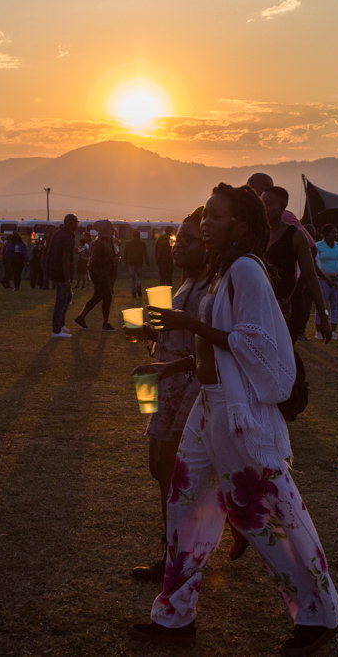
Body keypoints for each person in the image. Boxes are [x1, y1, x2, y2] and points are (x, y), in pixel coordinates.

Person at [130, 183, 338, 655]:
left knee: (273, 514)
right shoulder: (222, 270)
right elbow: (215, 347)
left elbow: (255, 342)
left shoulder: (247, 271)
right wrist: (173, 364)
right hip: (206, 407)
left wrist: (189, 325)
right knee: (185, 509)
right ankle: (175, 616)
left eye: (217, 216)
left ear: (240, 226)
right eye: (205, 214)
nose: (206, 222)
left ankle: (320, 615)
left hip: (236, 409)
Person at [128, 208, 208, 582]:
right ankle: (175, 548)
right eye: (179, 238)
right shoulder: (185, 283)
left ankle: (176, 555)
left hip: (184, 387)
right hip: (163, 382)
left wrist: (167, 367)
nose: (179, 246)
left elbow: (204, 352)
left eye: (190, 240)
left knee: (173, 473)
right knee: (158, 468)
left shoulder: (207, 290)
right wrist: (149, 332)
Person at [260, 186, 332, 343]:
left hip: (286, 309)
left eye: (268, 203)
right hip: (259, 307)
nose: (264, 208)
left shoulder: (296, 235)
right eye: (261, 203)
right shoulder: (258, 234)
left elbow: (311, 276)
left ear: (283, 207)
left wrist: (323, 315)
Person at [73, 219, 118, 332]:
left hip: (100, 272)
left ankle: (81, 317)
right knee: (107, 296)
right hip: (99, 272)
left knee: (98, 296)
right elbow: (95, 261)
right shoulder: (100, 243)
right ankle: (105, 323)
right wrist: (112, 260)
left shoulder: (104, 241)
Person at [46, 214, 79, 338]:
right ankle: (56, 330)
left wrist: (74, 250)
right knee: (61, 300)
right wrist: (67, 280)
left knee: (67, 296)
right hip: (60, 272)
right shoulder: (67, 236)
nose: (77, 225)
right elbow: (65, 259)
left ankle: (61, 324)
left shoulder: (59, 233)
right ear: (71, 223)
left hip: (54, 269)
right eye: (77, 222)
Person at [314, 224, 338, 341]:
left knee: (335, 305)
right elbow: (316, 262)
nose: (335, 235)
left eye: (336, 232)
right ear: (326, 234)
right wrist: (325, 275)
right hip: (324, 279)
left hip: (337, 279)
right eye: (333, 232)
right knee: (321, 305)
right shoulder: (319, 246)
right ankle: (319, 330)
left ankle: (333, 330)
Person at [124, 229, 150, 300]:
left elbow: (125, 254)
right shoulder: (142, 243)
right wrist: (148, 264)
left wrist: (126, 262)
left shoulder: (128, 243)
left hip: (130, 263)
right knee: (139, 277)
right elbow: (145, 254)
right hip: (139, 263)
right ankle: (138, 287)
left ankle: (133, 292)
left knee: (132, 279)